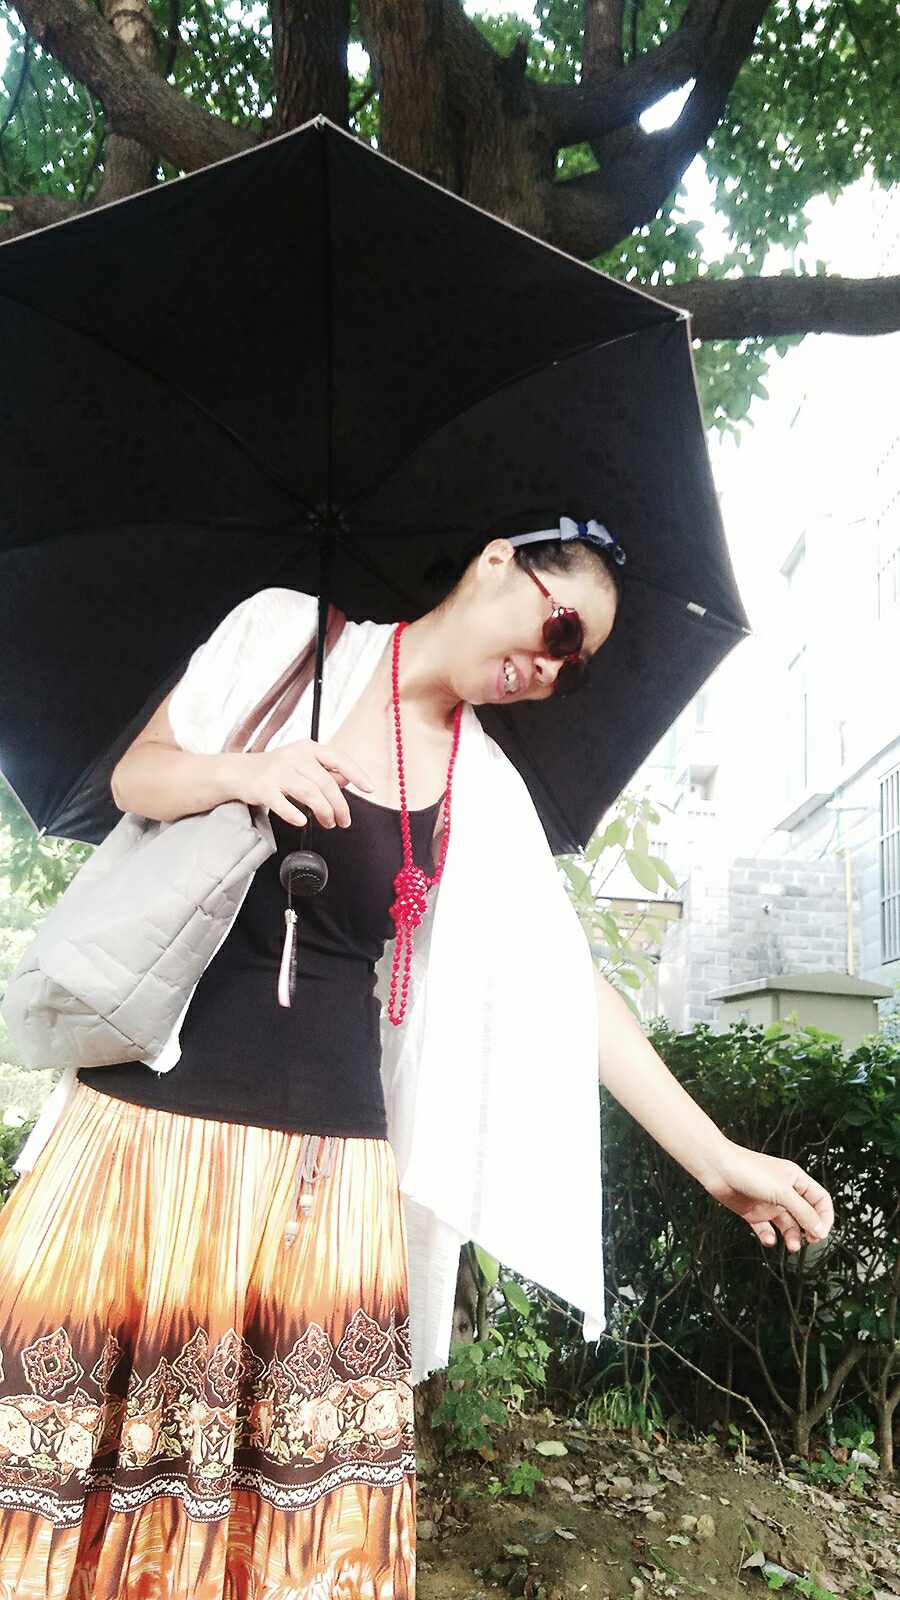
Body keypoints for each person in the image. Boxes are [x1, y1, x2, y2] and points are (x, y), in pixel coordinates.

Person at [0, 521, 834, 1598]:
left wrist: (717, 1158)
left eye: (573, 668)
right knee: (67, 1470)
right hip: (139, 1132)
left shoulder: (480, 785)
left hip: (321, 1179)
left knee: (289, 1529)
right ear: (498, 562)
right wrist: (249, 770)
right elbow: (137, 777)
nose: (550, 668)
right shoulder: (286, 635)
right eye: (561, 629)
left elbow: (567, 982)